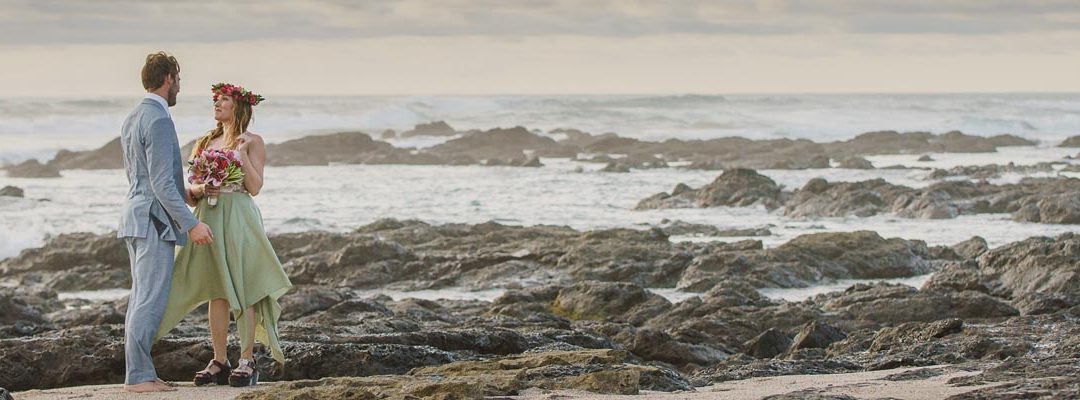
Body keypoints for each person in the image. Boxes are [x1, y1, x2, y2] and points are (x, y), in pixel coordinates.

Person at [155, 82, 293, 387]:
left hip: (240, 218)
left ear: (239, 106)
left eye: (224, 99)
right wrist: (203, 188)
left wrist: (241, 154)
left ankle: (247, 360)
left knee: (244, 287)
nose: (216, 103)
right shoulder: (205, 142)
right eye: (215, 99)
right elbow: (188, 195)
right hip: (208, 217)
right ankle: (219, 360)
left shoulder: (253, 141)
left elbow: (255, 188)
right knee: (216, 289)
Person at [117, 51, 214, 393]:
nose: (179, 88)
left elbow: (145, 177)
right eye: (179, 81)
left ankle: (141, 372)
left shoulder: (133, 117)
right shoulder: (158, 120)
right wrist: (191, 224)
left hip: (135, 217)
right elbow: (159, 184)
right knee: (150, 299)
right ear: (169, 79)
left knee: (140, 297)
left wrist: (191, 192)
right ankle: (139, 377)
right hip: (153, 222)